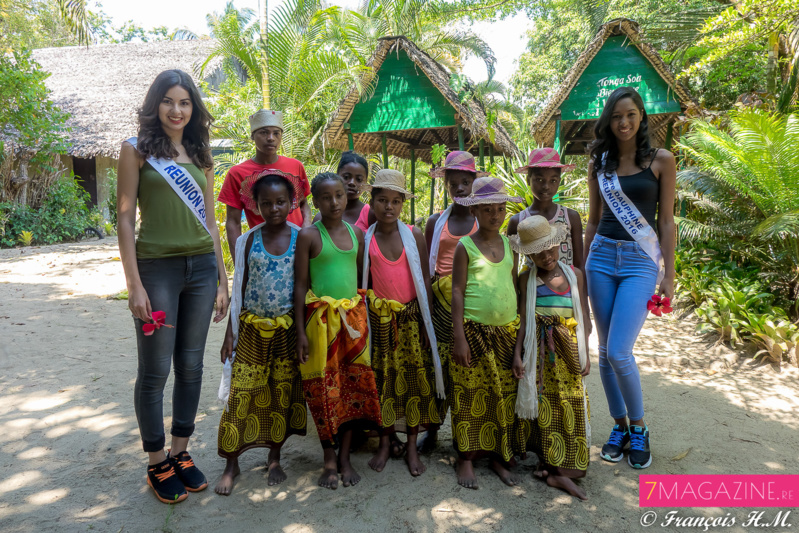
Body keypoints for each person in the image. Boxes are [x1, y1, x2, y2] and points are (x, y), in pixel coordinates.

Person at [117, 69, 229, 504]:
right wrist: (134, 285)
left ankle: (181, 452)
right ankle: (156, 460)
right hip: (157, 270)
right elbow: (125, 219)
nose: (176, 110)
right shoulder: (136, 150)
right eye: (168, 101)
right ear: (155, 104)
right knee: (155, 370)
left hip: (201, 269)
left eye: (184, 102)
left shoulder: (201, 154)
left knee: (192, 365)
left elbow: (211, 225)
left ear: (193, 108)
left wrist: (223, 279)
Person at [584, 86, 676, 469]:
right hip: (601, 257)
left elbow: (666, 221)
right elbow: (592, 219)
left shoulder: (661, 161)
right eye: (617, 116)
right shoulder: (599, 165)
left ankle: (639, 428)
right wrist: (581, 269)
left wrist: (669, 273)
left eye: (631, 115)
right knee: (604, 352)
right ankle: (619, 426)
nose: (624, 122)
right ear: (610, 120)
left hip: (640, 262)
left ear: (641, 117)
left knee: (620, 350)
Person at [214, 170, 307, 496]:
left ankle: (274, 457)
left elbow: (302, 289)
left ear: (292, 202)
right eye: (266, 203)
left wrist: (302, 334)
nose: (274, 209)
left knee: (279, 394)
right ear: (255, 205)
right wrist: (230, 333)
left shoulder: (301, 237)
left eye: (281, 202)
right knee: (242, 394)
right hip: (252, 331)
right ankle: (231, 461)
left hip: (285, 333)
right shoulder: (247, 240)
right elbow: (238, 288)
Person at [294, 172, 382, 489]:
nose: (334, 202)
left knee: (352, 388)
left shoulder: (356, 235)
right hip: (319, 323)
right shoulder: (309, 236)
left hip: (353, 324)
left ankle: (344, 457)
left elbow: (359, 280)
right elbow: (301, 284)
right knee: (323, 391)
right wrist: (300, 333)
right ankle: (328, 456)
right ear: (315, 201)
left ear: (347, 197)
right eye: (326, 197)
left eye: (340, 195)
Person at [360, 170, 444, 477]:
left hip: (411, 321)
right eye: (382, 200)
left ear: (403, 204)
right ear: (372, 202)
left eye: (396, 201)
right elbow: (363, 284)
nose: (389, 207)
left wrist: (427, 322)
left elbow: (424, 278)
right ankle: (385, 442)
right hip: (381, 323)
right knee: (382, 383)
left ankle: (410, 446)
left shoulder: (414, 234)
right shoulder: (366, 239)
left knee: (412, 384)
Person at [450, 176, 525, 489]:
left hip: (506, 333)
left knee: (502, 397)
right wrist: (459, 337)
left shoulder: (511, 245)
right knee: (468, 395)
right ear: (475, 212)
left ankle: (497, 454)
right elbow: (456, 291)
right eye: (488, 209)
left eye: (500, 209)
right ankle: (465, 458)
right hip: (473, 331)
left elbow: (515, 289)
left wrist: (519, 341)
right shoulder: (465, 246)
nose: (495, 215)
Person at [511, 216, 591, 500]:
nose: (546, 255)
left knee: (571, 405)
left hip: (568, 352)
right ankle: (550, 466)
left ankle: (564, 469)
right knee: (544, 409)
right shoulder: (526, 279)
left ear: (558, 243)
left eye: (550, 248)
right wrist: (518, 355)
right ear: (528, 254)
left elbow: (585, 317)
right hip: (539, 356)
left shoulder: (574, 275)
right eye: (537, 251)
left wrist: (585, 353)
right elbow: (522, 319)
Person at [422, 151, 486, 452]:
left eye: (465, 182)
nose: (460, 188)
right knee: (439, 368)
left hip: (472, 302)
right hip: (441, 304)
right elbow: (428, 268)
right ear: (446, 186)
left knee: (470, 368)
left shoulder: (482, 221)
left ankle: (468, 433)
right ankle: (433, 431)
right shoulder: (436, 223)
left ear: (473, 183)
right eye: (454, 183)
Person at [218, 109, 312, 261]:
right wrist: (240, 262)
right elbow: (233, 222)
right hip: (262, 253)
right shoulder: (237, 174)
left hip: (298, 247)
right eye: (263, 132)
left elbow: (304, 205)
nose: (271, 138)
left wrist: (306, 230)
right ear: (252, 135)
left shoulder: (296, 166)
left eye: (276, 133)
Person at [507, 147, 585, 271]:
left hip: (568, 289)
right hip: (532, 288)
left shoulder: (571, 217)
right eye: (539, 179)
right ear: (528, 180)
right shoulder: (518, 221)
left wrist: (581, 290)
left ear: (559, 182)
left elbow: (579, 263)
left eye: (553, 180)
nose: (546, 186)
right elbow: (511, 268)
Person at [313, 151, 375, 230]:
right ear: (337, 176)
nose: (352, 183)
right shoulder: (321, 217)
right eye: (346, 177)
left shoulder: (370, 214)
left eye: (359, 179)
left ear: (365, 182)